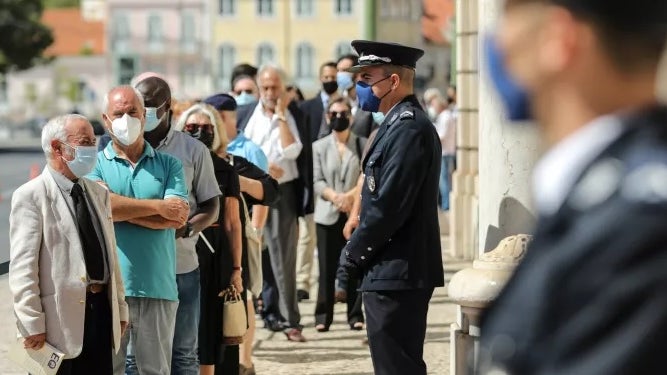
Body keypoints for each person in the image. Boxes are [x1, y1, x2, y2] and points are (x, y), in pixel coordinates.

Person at [478, 1, 667, 374]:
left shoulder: (635, 228)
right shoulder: (596, 193)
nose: (494, 42)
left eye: (507, 18)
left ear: (558, 39)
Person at [340, 40, 444, 375]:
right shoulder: (394, 124)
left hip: (398, 269)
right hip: (388, 269)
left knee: (397, 367)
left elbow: (389, 206)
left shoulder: (409, 128)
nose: (360, 87)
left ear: (394, 82)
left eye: (367, 79)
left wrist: (351, 256)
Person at [9, 114, 128, 375]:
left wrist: (120, 307)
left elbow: (111, 256)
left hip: (101, 314)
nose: (91, 149)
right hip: (57, 324)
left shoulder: (98, 193)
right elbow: (23, 269)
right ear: (56, 147)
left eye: (93, 142)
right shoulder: (31, 196)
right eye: (84, 142)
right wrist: (31, 322)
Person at [88, 85, 190, 375]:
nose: (126, 119)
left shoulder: (170, 164)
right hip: (108, 289)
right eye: (118, 114)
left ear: (145, 116)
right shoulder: (94, 166)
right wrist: (158, 207)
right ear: (106, 120)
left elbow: (177, 218)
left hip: (158, 285)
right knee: (109, 369)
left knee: (155, 370)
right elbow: (102, 210)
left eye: (132, 112)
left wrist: (116, 209)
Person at [134, 76, 221, 375]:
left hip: (181, 266)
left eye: (145, 107)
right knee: (135, 355)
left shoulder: (193, 151)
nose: (139, 114)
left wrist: (187, 229)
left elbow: (211, 205)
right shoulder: (124, 148)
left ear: (166, 106)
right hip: (136, 270)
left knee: (183, 354)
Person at [202, 93, 280, 375]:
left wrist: (237, 182)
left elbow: (270, 190)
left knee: (232, 316)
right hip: (194, 256)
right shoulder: (180, 162)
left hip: (229, 250)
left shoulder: (233, 161)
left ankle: (244, 361)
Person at [236, 63, 309, 342]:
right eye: (264, 87)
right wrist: (263, 168)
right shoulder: (246, 115)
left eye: (274, 87)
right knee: (252, 255)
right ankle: (262, 314)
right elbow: (234, 149)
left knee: (282, 258)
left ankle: (291, 320)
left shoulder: (293, 115)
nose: (268, 92)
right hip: (249, 193)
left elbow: (291, 150)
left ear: (284, 89)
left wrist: (280, 115)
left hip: (282, 194)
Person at [174, 103, 243, 375]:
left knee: (209, 326)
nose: (199, 133)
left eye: (206, 128)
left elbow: (232, 222)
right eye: (192, 128)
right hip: (179, 248)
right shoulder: (169, 163)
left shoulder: (225, 170)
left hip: (215, 254)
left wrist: (237, 269)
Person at [312, 97, 366, 332]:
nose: (339, 117)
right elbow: (316, 180)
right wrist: (335, 197)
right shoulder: (319, 146)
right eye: (334, 114)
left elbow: (365, 177)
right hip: (327, 213)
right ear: (327, 117)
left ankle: (355, 315)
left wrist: (350, 197)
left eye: (343, 113)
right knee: (326, 268)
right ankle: (323, 316)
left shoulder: (362, 144)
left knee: (355, 265)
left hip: (354, 214)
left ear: (351, 117)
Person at [295, 61, 339, 302]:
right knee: (306, 236)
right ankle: (302, 282)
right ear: (320, 78)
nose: (329, 79)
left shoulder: (346, 107)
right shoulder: (307, 108)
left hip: (339, 181)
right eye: (326, 76)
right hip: (312, 182)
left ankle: (336, 283)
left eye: (333, 76)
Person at [337, 54, 376, 139]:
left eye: (344, 70)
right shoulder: (335, 101)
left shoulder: (370, 102)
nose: (339, 75)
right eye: (338, 70)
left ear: (357, 73)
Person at [433, 94, 457, 211]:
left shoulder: (445, 116)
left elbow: (441, 136)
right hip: (447, 151)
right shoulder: (447, 116)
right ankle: (445, 204)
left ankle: (446, 205)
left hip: (445, 152)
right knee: (445, 180)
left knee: (444, 181)